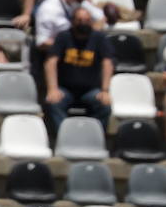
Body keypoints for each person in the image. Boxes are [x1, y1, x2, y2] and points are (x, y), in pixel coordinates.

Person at [44, 7, 114, 135]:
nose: (83, 23)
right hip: (66, 89)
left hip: (91, 90)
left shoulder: (99, 38)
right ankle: (64, 138)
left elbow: (107, 63)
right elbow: (51, 62)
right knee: (54, 103)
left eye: (86, 20)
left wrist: (105, 91)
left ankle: (95, 138)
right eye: (79, 20)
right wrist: (52, 89)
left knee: (105, 106)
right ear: (72, 21)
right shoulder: (63, 37)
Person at [34, 0, 103, 54]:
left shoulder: (80, 1)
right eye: (79, 0)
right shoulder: (48, 11)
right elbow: (42, 43)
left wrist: (90, 36)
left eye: (83, 0)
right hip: (58, 53)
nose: (81, 3)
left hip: (83, 49)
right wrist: (69, 45)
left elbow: (101, 18)